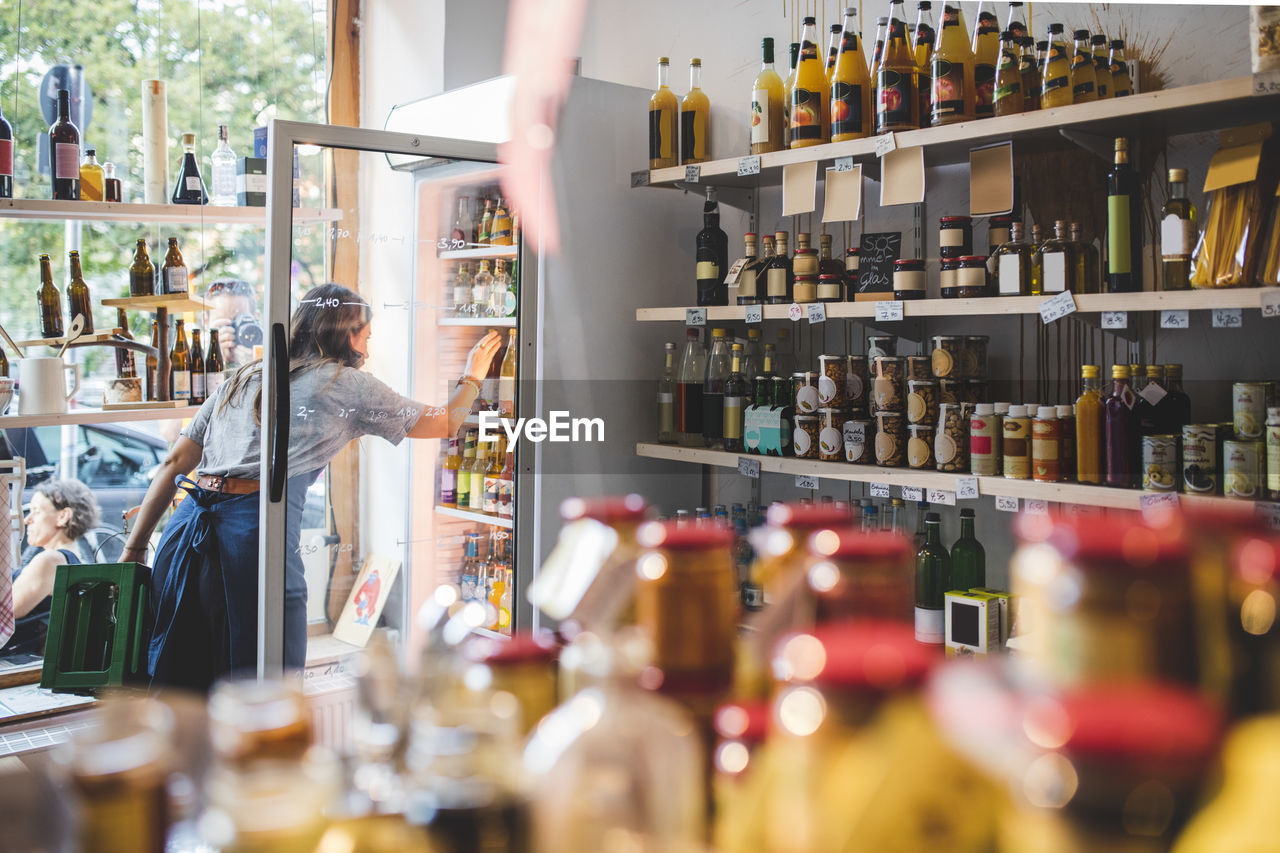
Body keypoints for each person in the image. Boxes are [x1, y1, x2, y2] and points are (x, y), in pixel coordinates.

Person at [120, 282, 501, 691]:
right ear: (347, 332)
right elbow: (445, 421)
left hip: (184, 532)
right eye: (366, 337)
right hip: (251, 537)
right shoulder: (343, 383)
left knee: (181, 678)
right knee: (270, 684)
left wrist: (136, 545)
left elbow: (175, 462)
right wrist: (473, 375)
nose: (367, 351)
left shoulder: (246, 375)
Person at [2, 480, 101, 657]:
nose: (27, 520)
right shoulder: (70, 560)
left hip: (18, 663)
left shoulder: (50, 560)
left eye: (36, 512)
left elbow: (5, 615)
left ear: (63, 516)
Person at [205, 278, 262, 368]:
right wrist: (211, 360)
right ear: (206, 321)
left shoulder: (268, 358)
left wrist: (255, 366)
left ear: (256, 318)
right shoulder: (197, 365)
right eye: (223, 326)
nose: (230, 334)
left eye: (241, 323)